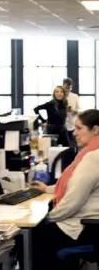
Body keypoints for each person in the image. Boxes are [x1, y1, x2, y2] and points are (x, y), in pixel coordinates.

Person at [31, 109, 99, 270]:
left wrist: (44, 218)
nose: (74, 133)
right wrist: (48, 189)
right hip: (92, 227)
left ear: (95, 130)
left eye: (79, 128)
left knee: (32, 236)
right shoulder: (92, 153)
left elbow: (72, 203)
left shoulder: (92, 157)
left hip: (86, 230)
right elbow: (75, 185)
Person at [63, 78, 80, 146]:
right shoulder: (59, 95)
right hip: (62, 126)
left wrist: (73, 110)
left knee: (73, 146)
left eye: (69, 88)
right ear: (63, 86)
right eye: (66, 88)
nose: (68, 90)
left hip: (72, 126)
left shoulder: (75, 96)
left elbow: (80, 110)